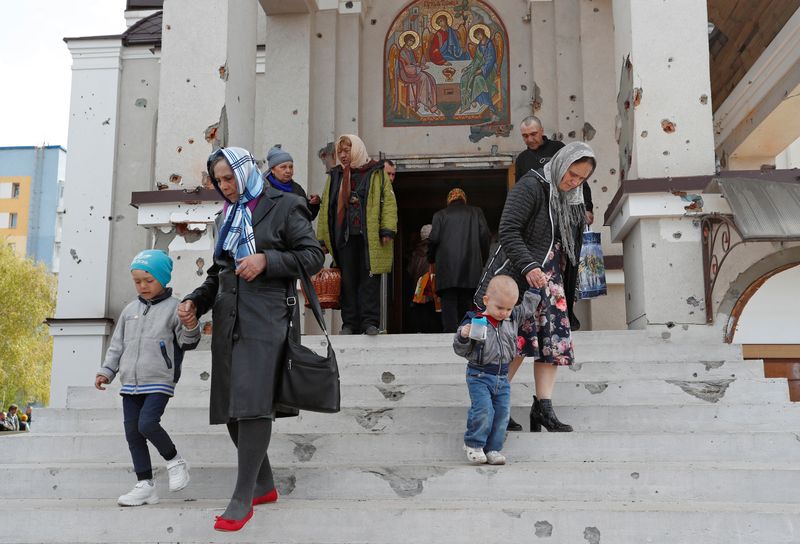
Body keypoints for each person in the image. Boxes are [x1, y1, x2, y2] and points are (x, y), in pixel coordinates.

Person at [179, 147, 323, 532]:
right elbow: (219, 272)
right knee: (230, 408)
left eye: (229, 178)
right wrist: (197, 300)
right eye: (219, 181)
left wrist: (267, 260)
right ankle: (263, 484)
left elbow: (312, 256)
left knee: (253, 404)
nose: (225, 187)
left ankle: (241, 499)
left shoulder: (285, 205)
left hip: (268, 316)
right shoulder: (226, 216)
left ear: (244, 172)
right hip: (229, 318)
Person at [475, 141, 596, 433]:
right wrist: (529, 266)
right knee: (515, 343)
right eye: (571, 174)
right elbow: (508, 230)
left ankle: (543, 408)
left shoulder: (573, 197)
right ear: (561, 163)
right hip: (522, 276)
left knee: (551, 344)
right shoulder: (531, 186)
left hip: (552, 280)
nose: (574, 182)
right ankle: (494, 404)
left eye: (581, 178)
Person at [95, 249, 200, 507]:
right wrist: (106, 371)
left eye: (148, 280)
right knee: (133, 433)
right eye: (137, 281)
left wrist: (190, 325)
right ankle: (145, 486)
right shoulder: (130, 310)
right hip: (130, 383)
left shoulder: (175, 308)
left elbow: (188, 342)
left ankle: (175, 460)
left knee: (147, 424)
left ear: (162, 279)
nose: (142, 286)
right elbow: (117, 345)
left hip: (159, 381)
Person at [515, 115, 594, 331]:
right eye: (524, 136)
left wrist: (588, 207)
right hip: (540, 220)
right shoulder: (522, 159)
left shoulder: (559, 148)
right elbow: (518, 191)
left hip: (567, 217)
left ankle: (568, 313)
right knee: (545, 269)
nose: (529, 139)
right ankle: (544, 317)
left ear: (541, 131)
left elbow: (581, 181)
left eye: (532, 134)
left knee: (569, 266)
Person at [317, 134, 397, 335]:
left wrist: (387, 229)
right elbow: (327, 205)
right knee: (348, 281)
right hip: (344, 237)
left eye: (347, 150)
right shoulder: (335, 175)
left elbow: (388, 202)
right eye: (340, 151)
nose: (343, 155)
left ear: (357, 150)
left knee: (369, 280)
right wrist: (323, 238)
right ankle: (349, 323)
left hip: (369, 237)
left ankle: (370, 322)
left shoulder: (376, 173)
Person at [454, 275, 539, 465]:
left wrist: (535, 290)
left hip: (502, 376)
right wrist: (463, 336)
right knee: (483, 409)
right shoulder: (475, 320)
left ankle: (493, 448)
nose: (504, 313)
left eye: (508, 308)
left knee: (502, 414)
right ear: (486, 300)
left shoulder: (511, 318)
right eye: (500, 308)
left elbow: (526, 308)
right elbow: (461, 350)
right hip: (479, 374)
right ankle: (474, 444)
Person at [428, 188, 490, 332]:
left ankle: (449, 336)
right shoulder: (476, 212)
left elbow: (434, 238)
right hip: (471, 268)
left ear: (449, 200)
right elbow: (485, 235)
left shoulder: (440, 215)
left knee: (448, 302)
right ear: (464, 199)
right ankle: (468, 336)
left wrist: (431, 258)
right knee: (468, 302)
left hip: (446, 268)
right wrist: (484, 258)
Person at [263, 144, 320, 220]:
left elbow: (308, 216)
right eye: (283, 167)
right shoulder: (263, 190)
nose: (288, 171)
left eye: (291, 167)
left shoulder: (297, 189)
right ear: (272, 170)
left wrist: (314, 205)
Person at [406, 224, 441, 333]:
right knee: (434, 311)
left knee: (421, 310)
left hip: (419, 288)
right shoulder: (439, 251)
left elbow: (410, 271)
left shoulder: (415, 253)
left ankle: (420, 330)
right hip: (435, 287)